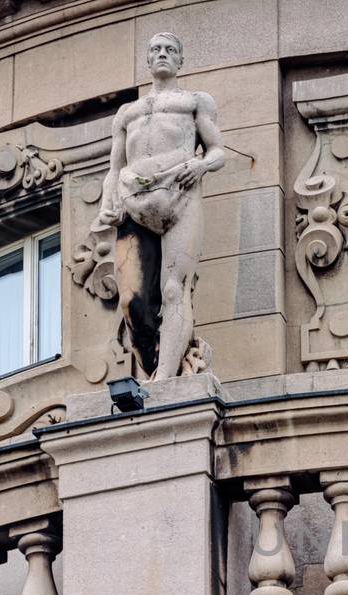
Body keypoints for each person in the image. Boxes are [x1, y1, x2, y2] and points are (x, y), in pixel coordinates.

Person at [95, 31, 226, 380]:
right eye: (156, 49)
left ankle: (165, 380)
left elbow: (217, 151)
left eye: (170, 50)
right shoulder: (128, 113)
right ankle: (155, 364)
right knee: (132, 302)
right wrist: (108, 204)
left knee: (173, 289)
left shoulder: (195, 101)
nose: (163, 54)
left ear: (180, 60)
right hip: (133, 200)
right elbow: (114, 169)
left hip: (179, 197)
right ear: (148, 60)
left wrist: (200, 165)